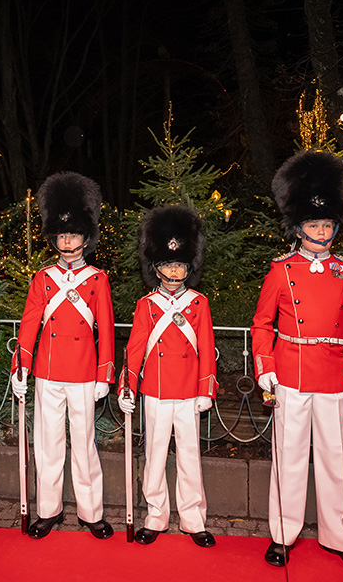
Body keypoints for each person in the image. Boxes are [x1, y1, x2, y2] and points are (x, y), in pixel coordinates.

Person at [251, 151, 343, 574]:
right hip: (291, 374)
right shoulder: (280, 270)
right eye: (313, 224)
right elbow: (262, 323)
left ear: (334, 228)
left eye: (326, 224)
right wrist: (265, 367)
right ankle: (282, 534)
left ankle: (339, 536)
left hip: (333, 376)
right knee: (288, 457)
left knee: (335, 458)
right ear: (298, 228)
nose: (320, 231)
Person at [11, 172, 115, 540]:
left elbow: (105, 328)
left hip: (85, 373)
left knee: (84, 444)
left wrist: (105, 375)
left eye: (73, 235)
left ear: (86, 238)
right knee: (48, 445)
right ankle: (48, 511)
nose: (67, 240)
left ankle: (91, 513)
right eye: (61, 235)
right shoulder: (43, 279)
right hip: (49, 372)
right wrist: (20, 366)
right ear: (54, 238)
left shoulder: (98, 280)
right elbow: (29, 324)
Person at [118, 205, 217, 548]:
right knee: (155, 455)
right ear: (156, 269)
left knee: (190, 456)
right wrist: (127, 387)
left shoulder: (199, 303)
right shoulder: (147, 305)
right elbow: (135, 350)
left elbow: (206, 347)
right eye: (168, 264)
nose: (175, 270)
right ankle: (155, 515)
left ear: (189, 267)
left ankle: (193, 518)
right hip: (156, 391)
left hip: (189, 390)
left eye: (180, 264)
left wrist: (207, 389)